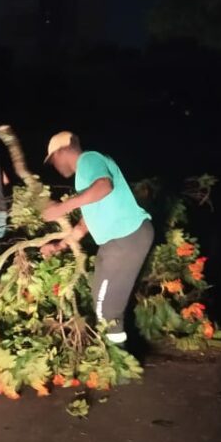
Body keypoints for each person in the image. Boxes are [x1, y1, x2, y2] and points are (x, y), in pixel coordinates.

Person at [40, 132, 153, 346]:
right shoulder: (84, 176)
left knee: (106, 309)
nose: (54, 164)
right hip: (121, 239)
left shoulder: (89, 159)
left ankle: (116, 363)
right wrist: (59, 246)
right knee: (101, 301)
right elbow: (86, 222)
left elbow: (104, 186)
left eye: (53, 158)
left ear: (62, 151)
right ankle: (114, 358)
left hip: (125, 237)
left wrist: (61, 208)